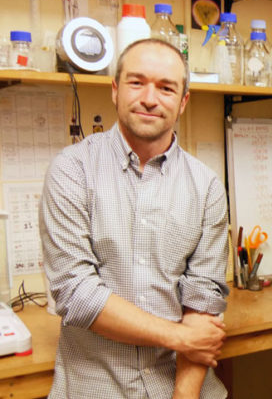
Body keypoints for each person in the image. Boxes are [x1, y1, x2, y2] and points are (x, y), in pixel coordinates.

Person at [40, 38, 230, 398]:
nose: (149, 98)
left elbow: (202, 302)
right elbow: (76, 293)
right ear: (115, 90)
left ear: (183, 101)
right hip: (95, 387)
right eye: (136, 82)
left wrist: (183, 397)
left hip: (180, 385)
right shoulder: (72, 170)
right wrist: (178, 336)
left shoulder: (205, 186)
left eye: (166, 87)